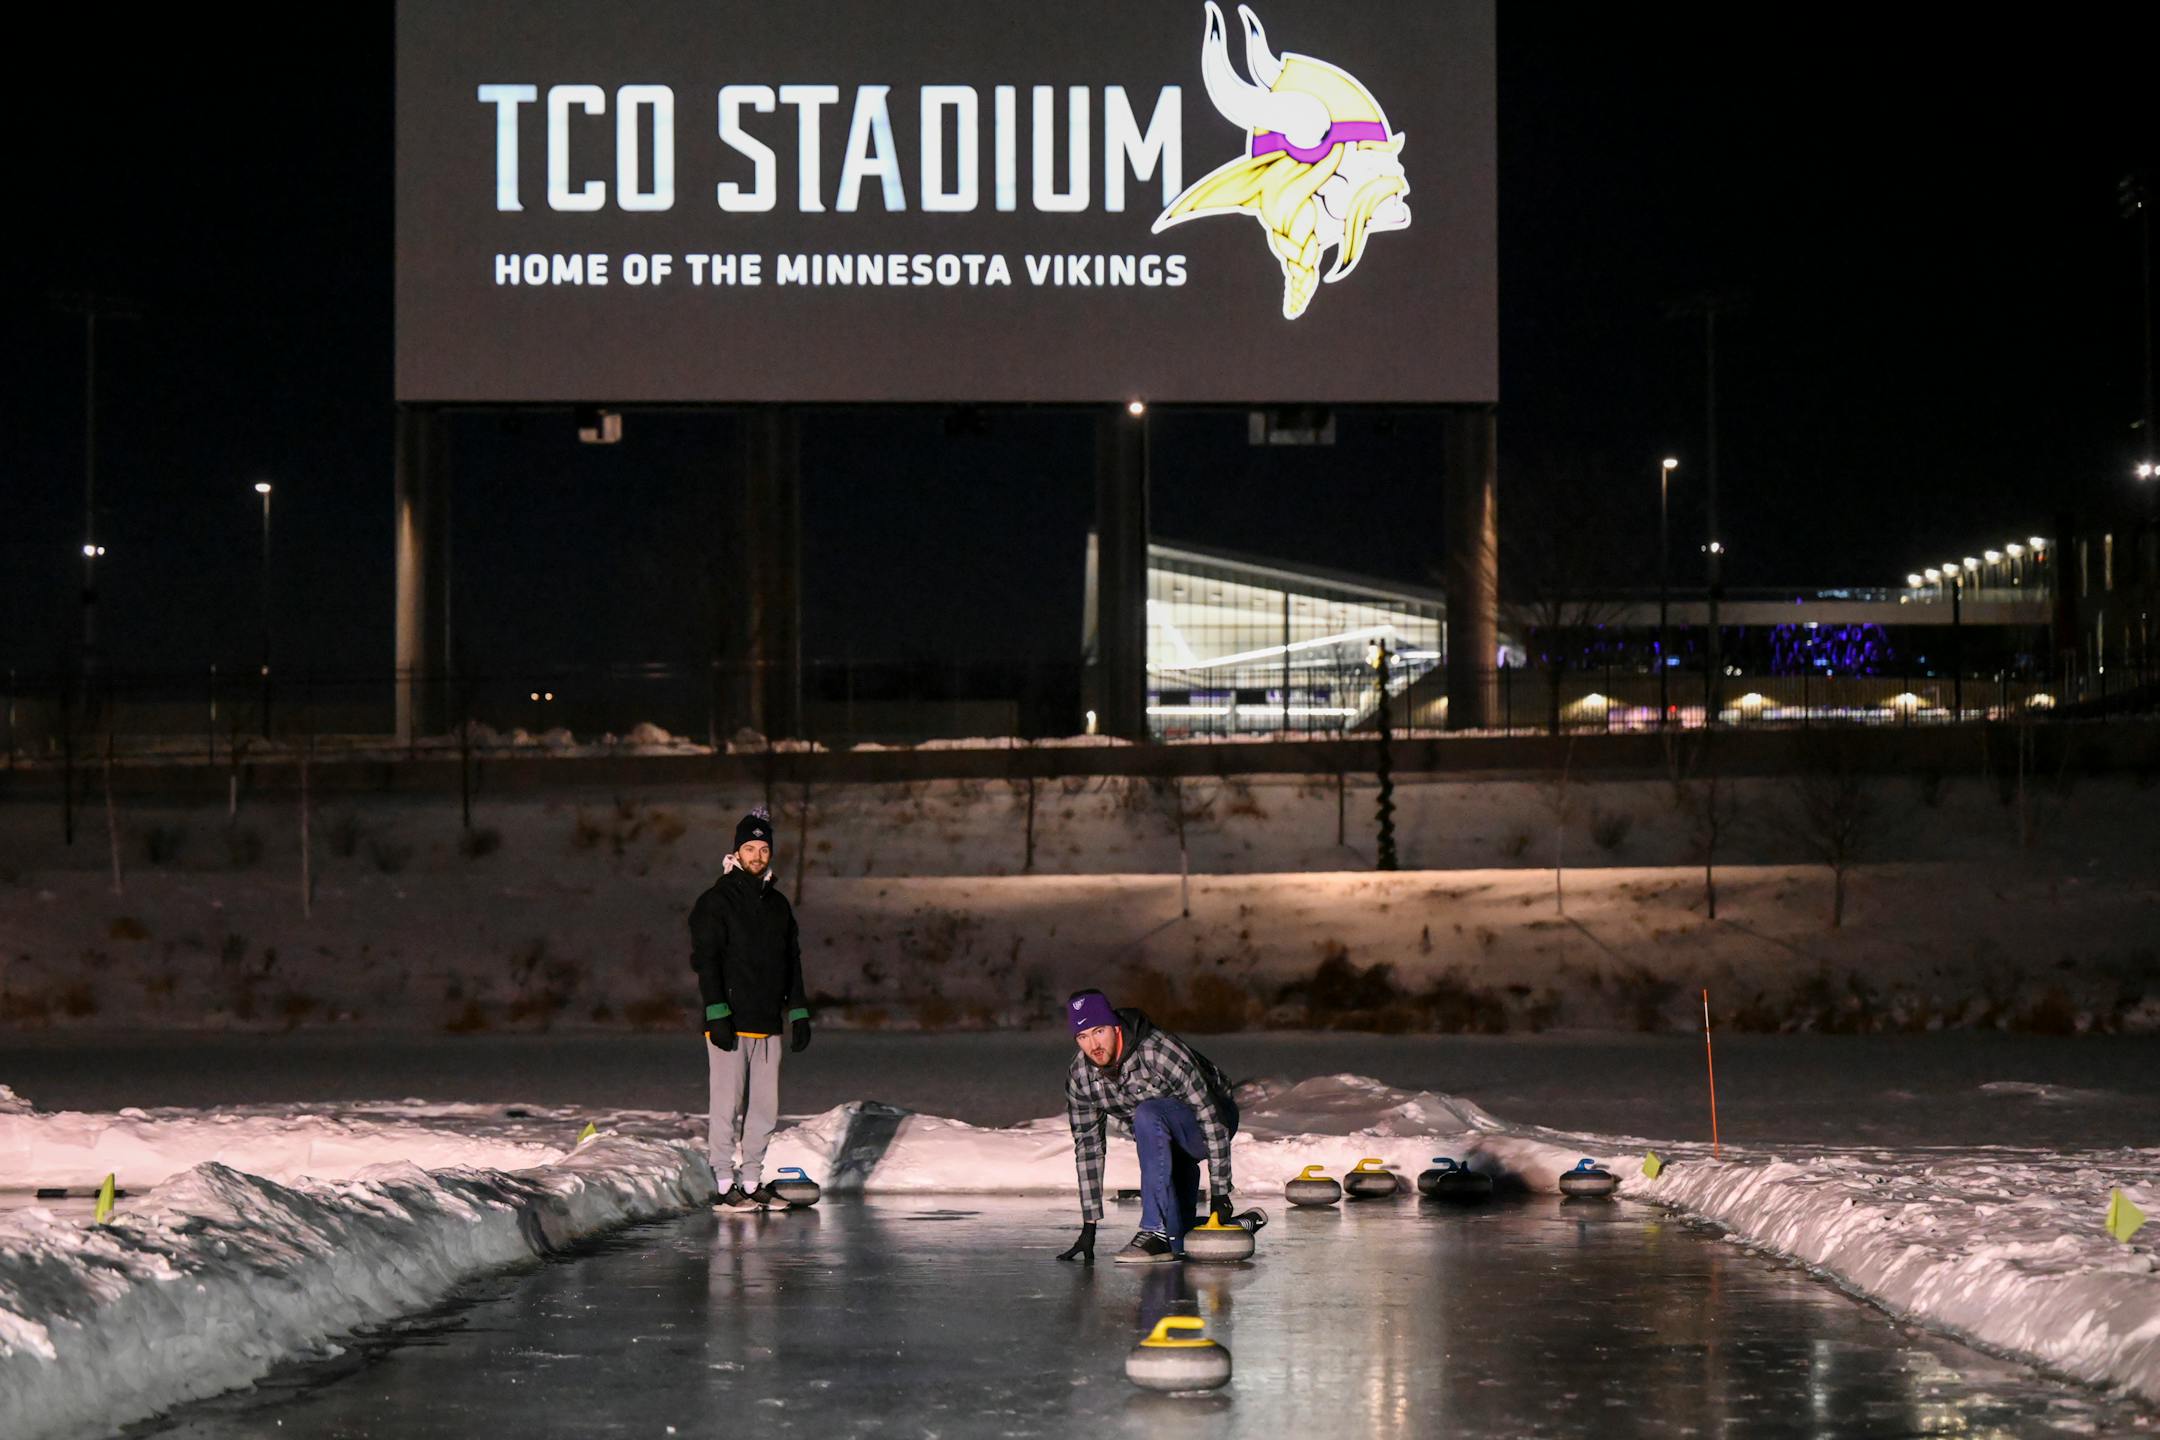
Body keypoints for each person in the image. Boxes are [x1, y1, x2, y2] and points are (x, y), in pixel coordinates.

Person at [1055, 988, 1258, 1263]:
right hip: (1162, 1143)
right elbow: (1088, 1148)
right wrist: (1089, 1224)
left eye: (1099, 1031)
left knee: (1148, 1112)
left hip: (1209, 1123)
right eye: (1083, 1036)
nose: (1093, 1045)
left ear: (1115, 1027)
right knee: (1179, 1238)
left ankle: (1154, 1229)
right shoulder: (1081, 1077)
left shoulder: (1158, 1052)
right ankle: (1238, 1225)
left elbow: (1210, 1116)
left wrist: (1220, 1192)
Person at [690, 804, 812, 1210]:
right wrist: (716, 1011)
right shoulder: (716, 901)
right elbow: (706, 961)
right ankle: (725, 1184)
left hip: (767, 1023)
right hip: (729, 1021)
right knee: (727, 1105)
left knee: (764, 1109)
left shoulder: (777, 905)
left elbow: (791, 960)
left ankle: (751, 1180)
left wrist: (798, 1011)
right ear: (736, 852)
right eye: (750, 847)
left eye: (764, 848)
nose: (757, 855)